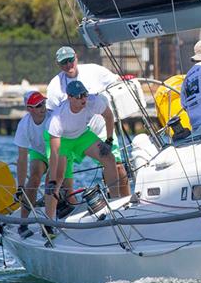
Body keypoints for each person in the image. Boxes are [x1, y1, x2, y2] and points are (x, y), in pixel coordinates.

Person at [46, 46, 128, 196]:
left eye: (71, 60)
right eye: (64, 63)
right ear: (58, 65)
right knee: (58, 175)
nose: (68, 65)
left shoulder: (94, 70)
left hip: (99, 128)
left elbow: (116, 81)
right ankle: (55, 212)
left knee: (116, 165)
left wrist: (108, 140)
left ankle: (124, 202)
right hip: (67, 134)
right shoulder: (54, 86)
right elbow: (52, 120)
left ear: (76, 57)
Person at [45, 81, 126, 220]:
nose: (83, 99)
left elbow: (109, 116)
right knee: (57, 178)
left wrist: (109, 140)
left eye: (85, 95)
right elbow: (54, 152)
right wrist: (51, 179)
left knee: (109, 158)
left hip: (82, 135)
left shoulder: (93, 101)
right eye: (79, 96)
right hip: (62, 140)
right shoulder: (57, 118)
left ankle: (115, 202)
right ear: (69, 97)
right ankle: (49, 222)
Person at [12, 91, 69, 237]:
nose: (43, 107)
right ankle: (23, 223)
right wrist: (20, 186)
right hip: (39, 153)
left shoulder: (52, 118)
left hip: (58, 151)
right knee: (34, 179)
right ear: (29, 109)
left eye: (43, 103)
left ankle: (49, 223)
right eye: (38, 106)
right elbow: (22, 159)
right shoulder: (24, 125)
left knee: (51, 179)